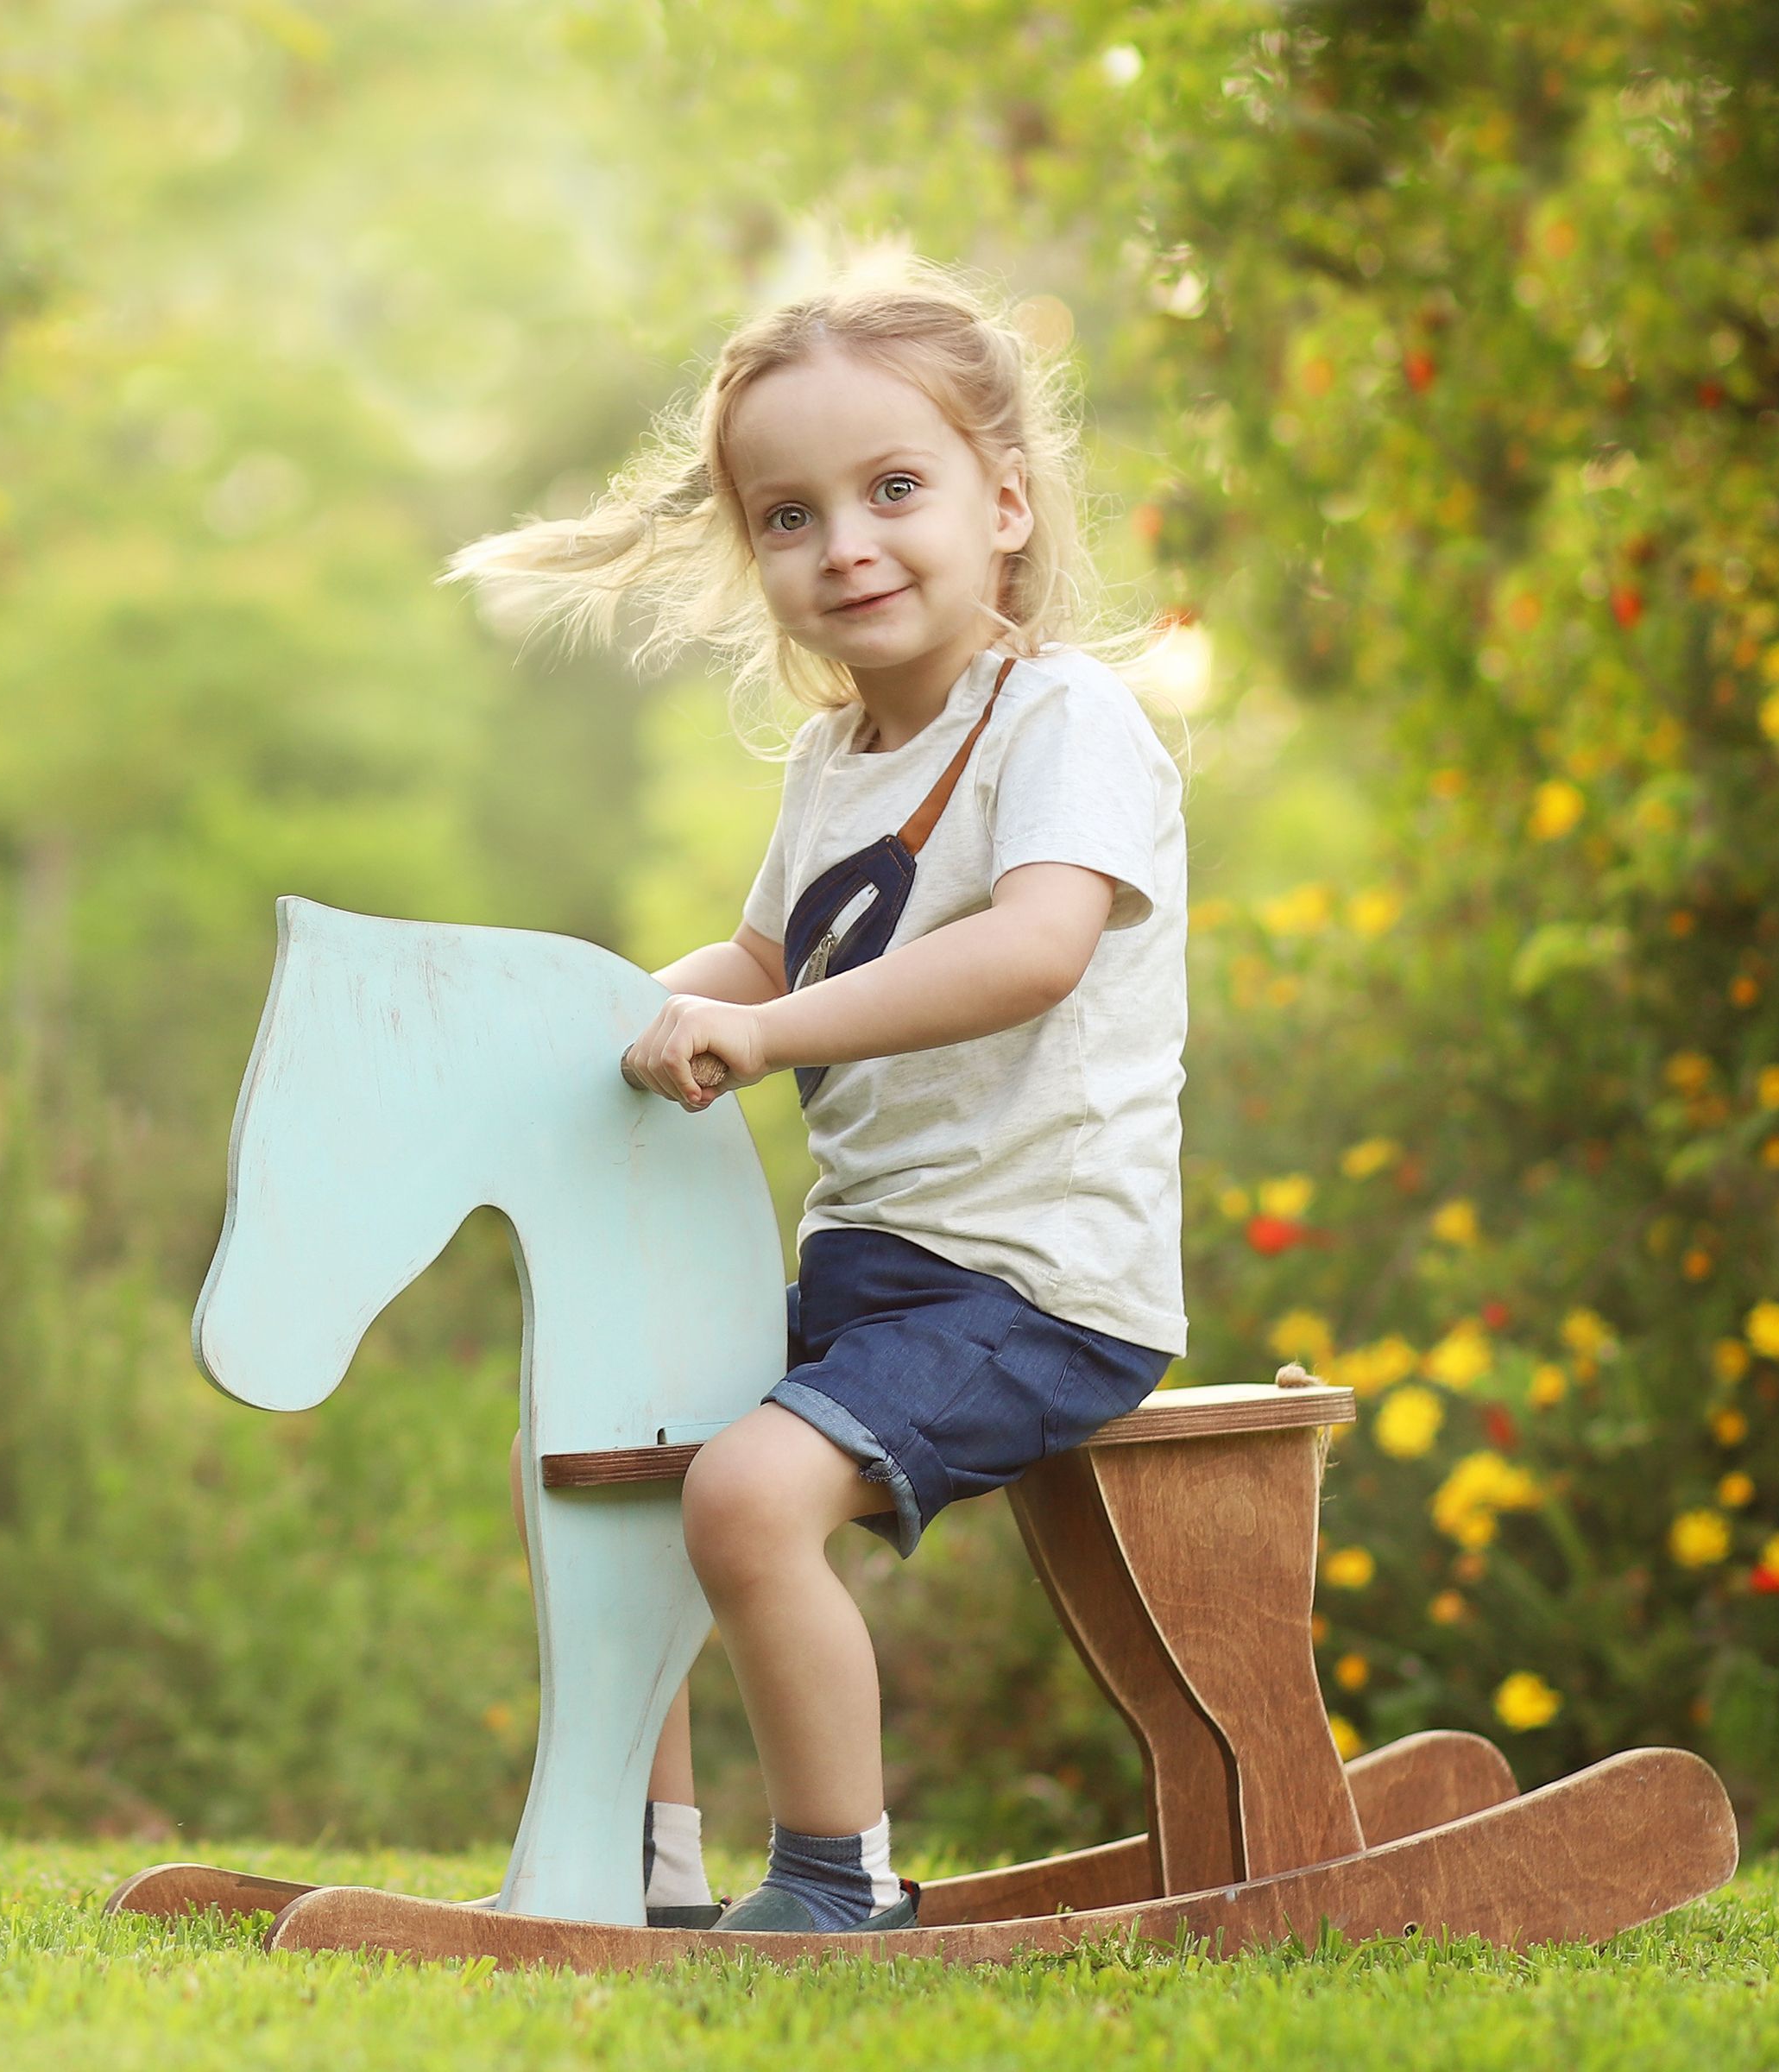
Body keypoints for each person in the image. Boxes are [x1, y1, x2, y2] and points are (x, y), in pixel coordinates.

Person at [446, 255, 1187, 1934]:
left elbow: (1032, 949)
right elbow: (762, 964)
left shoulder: (1058, 720)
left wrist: (768, 1043)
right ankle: (634, 1860)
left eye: (893, 489)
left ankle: (833, 1880)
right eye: (787, 514)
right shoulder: (836, 762)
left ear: (1001, 505)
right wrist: (588, 1024)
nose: (843, 541)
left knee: (745, 1491)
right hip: (872, 1278)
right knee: (589, 1439)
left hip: (1037, 1281)